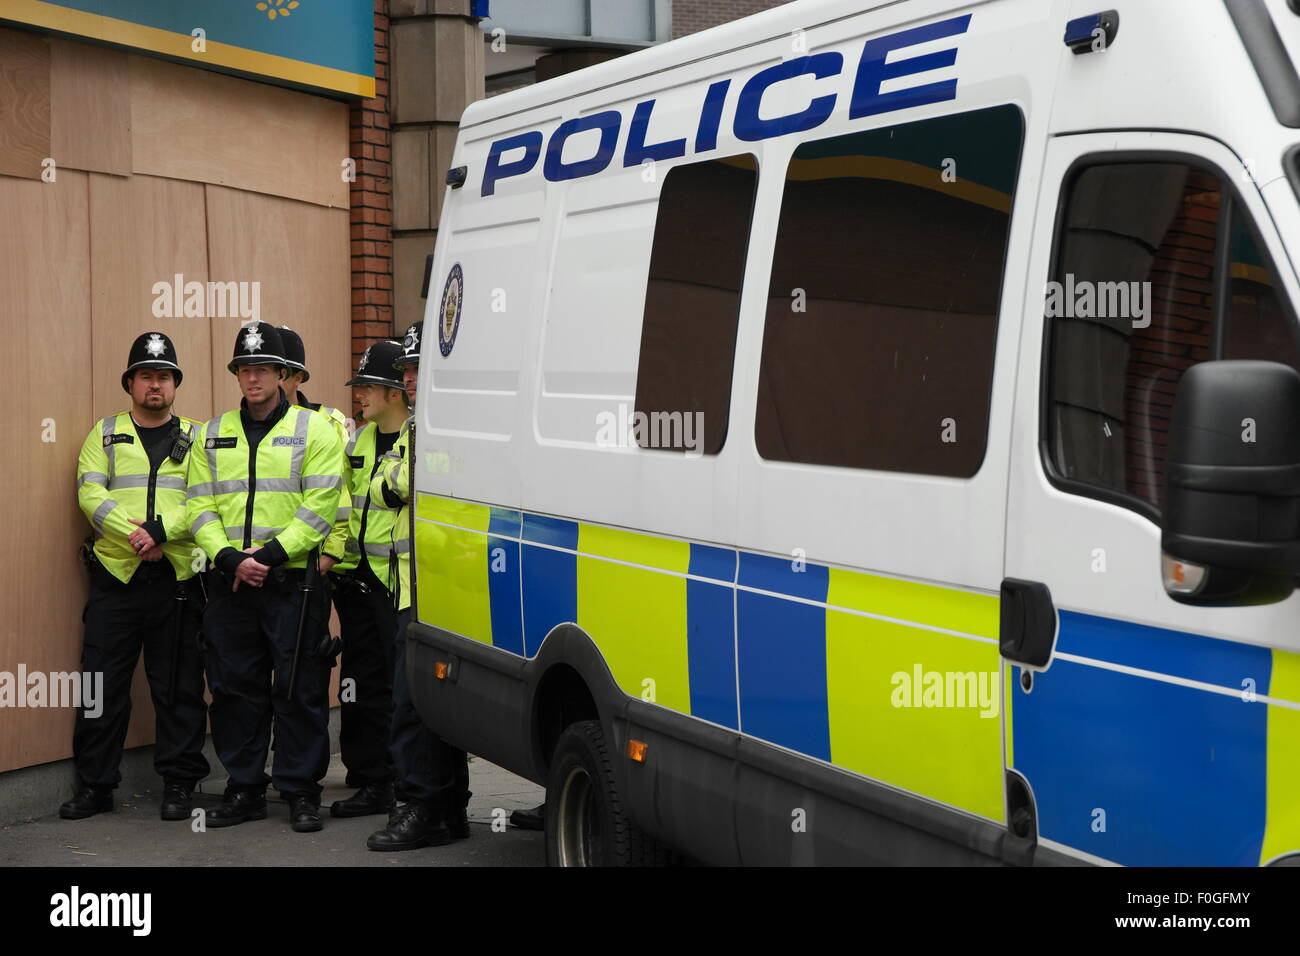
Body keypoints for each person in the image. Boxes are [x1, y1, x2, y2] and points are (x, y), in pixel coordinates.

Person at [186, 322, 344, 832]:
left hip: (293, 583)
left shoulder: (314, 430)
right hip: (231, 584)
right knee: (234, 688)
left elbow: (321, 505)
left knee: (298, 687)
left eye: (262, 368)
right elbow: (198, 505)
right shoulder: (211, 433)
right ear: (236, 375)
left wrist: (271, 554)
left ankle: (300, 791)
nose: (252, 377)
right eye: (244, 368)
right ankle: (245, 788)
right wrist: (230, 558)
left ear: (281, 374)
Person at [64, 331, 209, 821]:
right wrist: (135, 536)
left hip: (178, 582)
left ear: (175, 384)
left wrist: (161, 534)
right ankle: (96, 787)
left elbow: (208, 502)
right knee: (102, 686)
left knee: (179, 687)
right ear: (130, 382)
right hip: (116, 576)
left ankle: (180, 785)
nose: (155, 385)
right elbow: (90, 492)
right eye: (146, 375)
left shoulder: (200, 437)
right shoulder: (103, 433)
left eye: (164, 376)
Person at [365, 321, 472, 851]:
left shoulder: (445, 425)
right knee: (427, 700)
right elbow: (384, 488)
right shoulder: (413, 428)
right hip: (413, 586)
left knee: (416, 705)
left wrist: (398, 483)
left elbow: (402, 484)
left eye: (418, 368)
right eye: (406, 369)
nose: (409, 379)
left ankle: (424, 808)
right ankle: (447, 810)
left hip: (445, 587)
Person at [328, 341, 409, 818]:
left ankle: (400, 777)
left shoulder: (415, 438)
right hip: (354, 580)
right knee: (359, 681)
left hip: (393, 585)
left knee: (398, 686)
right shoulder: (357, 439)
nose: (359, 396)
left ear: (393, 392)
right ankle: (370, 776)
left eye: (366, 387)